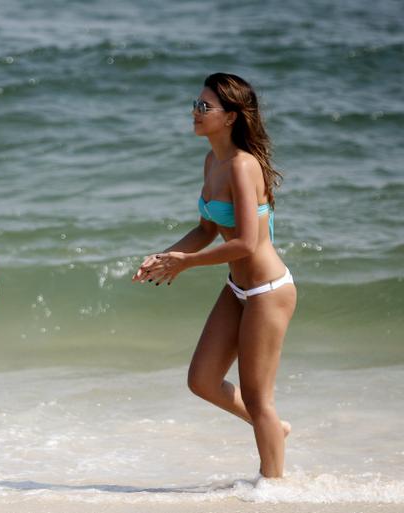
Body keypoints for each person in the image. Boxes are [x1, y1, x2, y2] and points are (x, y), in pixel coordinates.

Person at [133, 73, 296, 478]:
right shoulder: (213, 160)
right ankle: (273, 430)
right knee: (202, 380)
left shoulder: (243, 167)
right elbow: (207, 229)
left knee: (259, 399)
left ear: (230, 118)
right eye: (196, 103)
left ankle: (272, 488)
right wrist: (166, 255)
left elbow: (245, 242)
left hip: (268, 290)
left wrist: (185, 264)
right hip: (238, 288)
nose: (195, 111)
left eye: (205, 107)